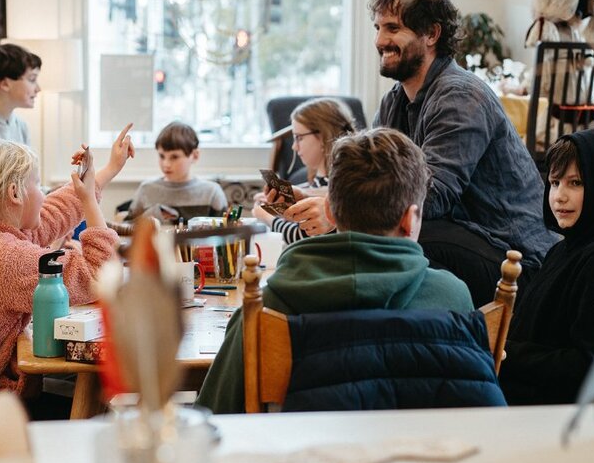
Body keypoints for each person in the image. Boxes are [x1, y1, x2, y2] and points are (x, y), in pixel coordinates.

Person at [279, 0, 557, 307]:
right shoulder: (395, 100)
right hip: (465, 241)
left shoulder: (460, 97)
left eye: (393, 28)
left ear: (431, 34)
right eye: (378, 27)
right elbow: (368, 179)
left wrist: (336, 213)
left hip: (514, 259)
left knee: (401, 228)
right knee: (385, 228)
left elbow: (433, 197)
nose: (381, 40)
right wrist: (316, 196)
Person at [196, 128, 475, 414]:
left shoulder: (265, 308)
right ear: (410, 218)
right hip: (422, 456)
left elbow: (214, 418)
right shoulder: (453, 298)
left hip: (304, 455)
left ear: (328, 212)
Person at [0, 141, 119, 422]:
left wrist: (102, 174)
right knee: (101, 414)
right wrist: (90, 203)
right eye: (38, 185)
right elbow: (98, 277)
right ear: (14, 193)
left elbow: (48, 218)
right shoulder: (5, 258)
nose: (44, 195)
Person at [499, 128, 594, 405]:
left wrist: (507, 353)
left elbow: (590, 366)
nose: (559, 196)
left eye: (575, 183)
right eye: (554, 182)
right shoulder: (565, 248)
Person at [252, 97, 356, 244]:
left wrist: (268, 218)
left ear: (322, 136)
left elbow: (303, 236)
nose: (294, 147)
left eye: (299, 138)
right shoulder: (316, 183)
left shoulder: (340, 184)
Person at [126, 121, 227, 223]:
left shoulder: (212, 193)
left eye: (174, 157)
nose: (166, 164)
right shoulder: (146, 190)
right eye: (162, 156)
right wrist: (154, 214)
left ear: (195, 156)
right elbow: (127, 228)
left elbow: (224, 232)